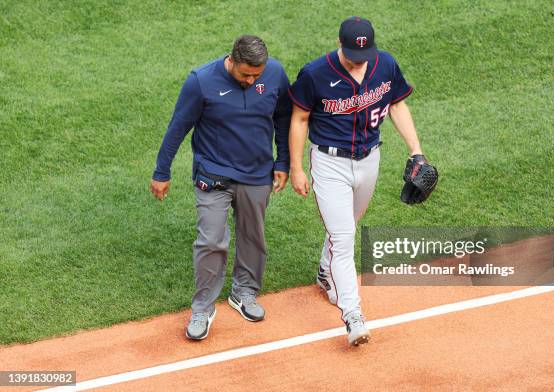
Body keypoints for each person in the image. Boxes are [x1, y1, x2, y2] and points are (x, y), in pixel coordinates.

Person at [288, 17, 426, 346]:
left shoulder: (385, 64)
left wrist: (416, 151)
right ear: (338, 42)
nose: (358, 60)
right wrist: (296, 167)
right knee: (345, 236)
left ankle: (325, 271)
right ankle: (353, 315)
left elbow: (397, 105)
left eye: (362, 55)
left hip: (369, 160)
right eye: (351, 54)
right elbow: (300, 118)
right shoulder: (314, 74)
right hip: (329, 163)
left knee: (349, 223)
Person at [150, 35, 291, 340]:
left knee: (253, 235)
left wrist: (283, 161)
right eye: (245, 75)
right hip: (213, 174)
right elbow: (178, 126)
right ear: (231, 60)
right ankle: (202, 307)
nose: (251, 80)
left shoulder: (276, 73)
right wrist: (162, 170)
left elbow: (283, 118)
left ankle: (244, 293)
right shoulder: (201, 81)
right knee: (211, 240)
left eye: (257, 75)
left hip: (257, 173)